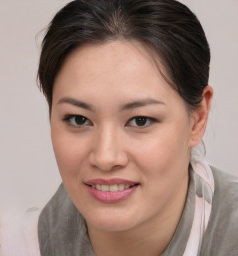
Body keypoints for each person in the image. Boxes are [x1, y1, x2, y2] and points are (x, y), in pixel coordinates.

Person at [37, 0, 238, 255]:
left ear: (198, 118)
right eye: (79, 119)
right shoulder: (11, 243)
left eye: (140, 120)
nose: (105, 157)